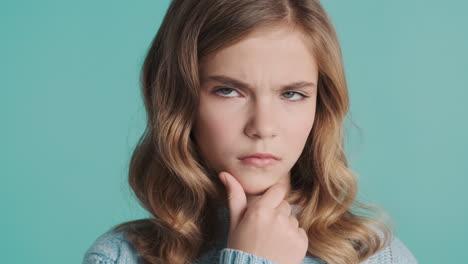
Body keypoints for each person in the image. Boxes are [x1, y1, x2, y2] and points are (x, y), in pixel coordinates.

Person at [82, 0, 419, 263]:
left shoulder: (374, 256)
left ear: (320, 107)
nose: (263, 127)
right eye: (229, 91)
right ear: (178, 98)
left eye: (291, 94)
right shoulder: (120, 257)